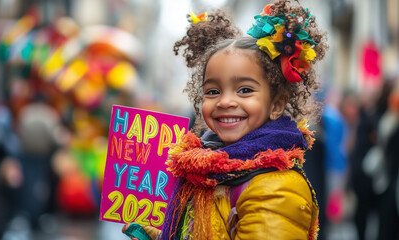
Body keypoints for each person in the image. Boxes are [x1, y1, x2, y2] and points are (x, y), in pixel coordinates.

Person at [123, 0, 328, 239]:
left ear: (277, 104)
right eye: (212, 91)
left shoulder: (275, 187)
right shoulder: (210, 170)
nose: (224, 101)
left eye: (244, 90)